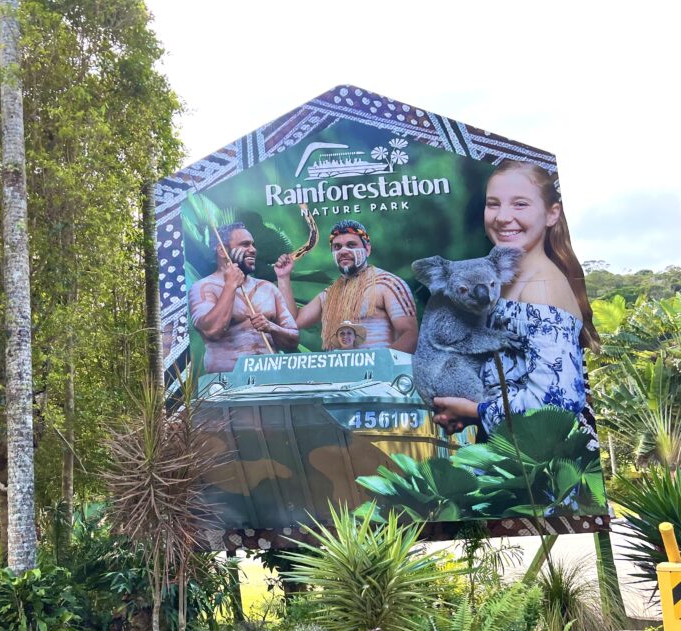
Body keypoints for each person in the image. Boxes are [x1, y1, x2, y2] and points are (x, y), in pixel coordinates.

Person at [431, 161, 600, 436]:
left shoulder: (540, 287)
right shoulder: (504, 280)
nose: (502, 217)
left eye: (520, 204)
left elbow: (556, 403)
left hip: (536, 467)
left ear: (551, 214)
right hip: (508, 450)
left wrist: (476, 412)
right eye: (494, 204)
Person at [274, 219, 418, 352]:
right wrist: (283, 277)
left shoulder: (388, 284)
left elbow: (410, 335)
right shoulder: (329, 295)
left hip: (378, 377)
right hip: (339, 377)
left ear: (367, 249)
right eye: (337, 247)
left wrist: (380, 366)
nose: (343, 251)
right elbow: (292, 321)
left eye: (351, 245)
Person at [189, 221, 299, 373]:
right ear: (222, 251)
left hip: (270, 381)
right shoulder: (204, 287)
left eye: (253, 245)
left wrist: (271, 327)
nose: (253, 250)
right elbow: (211, 331)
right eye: (245, 245)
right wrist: (230, 285)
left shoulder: (268, 288)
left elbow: (293, 340)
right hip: (228, 384)